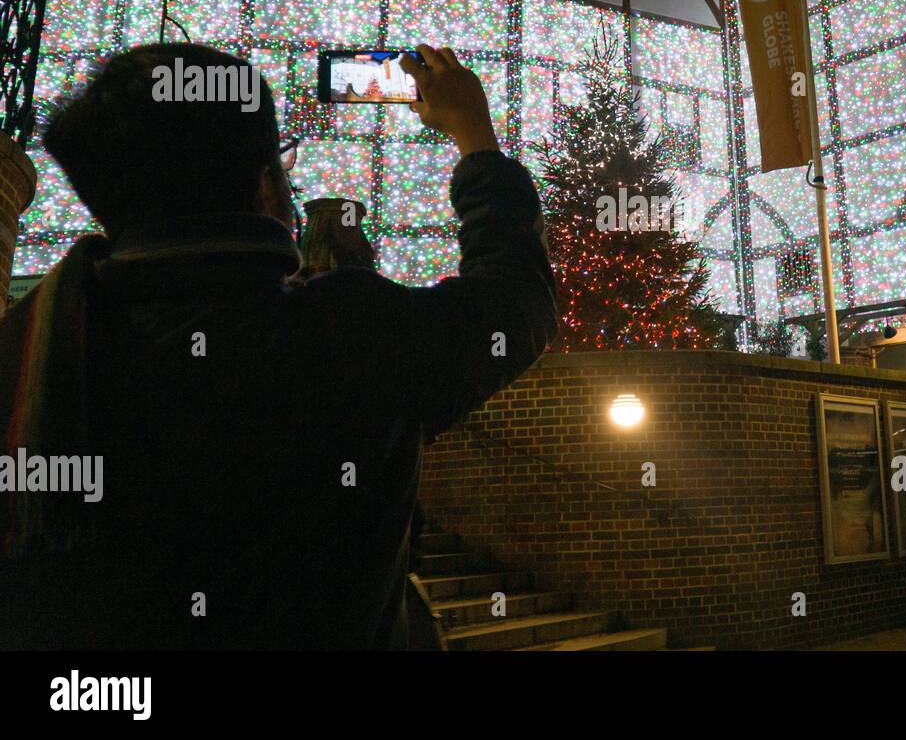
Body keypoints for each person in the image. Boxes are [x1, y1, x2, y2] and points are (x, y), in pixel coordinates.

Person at [0, 41, 556, 649]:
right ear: (266, 186)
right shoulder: (347, 333)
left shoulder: (28, 354)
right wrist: (474, 132)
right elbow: (513, 304)